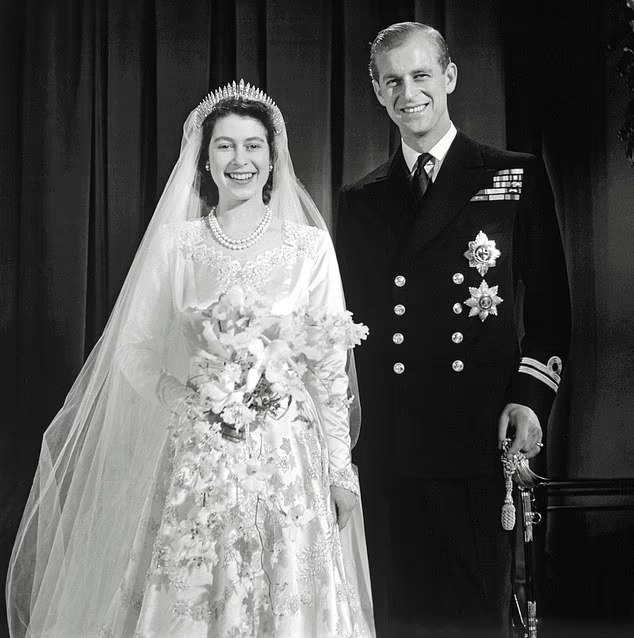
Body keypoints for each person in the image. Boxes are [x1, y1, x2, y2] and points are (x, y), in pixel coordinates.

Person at [7, 81, 375, 638]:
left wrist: (340, 471)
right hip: (201, 454)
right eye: (225, 145)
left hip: (287, 458)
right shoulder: (178, 245)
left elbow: (328, 366)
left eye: (252, 145)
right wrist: (179, 397)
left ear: (272, 158)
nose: (239, 159)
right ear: (205, 158)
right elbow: (131, 347)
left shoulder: (308, 248)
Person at [336, 22, 571, 637]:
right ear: (377, 92)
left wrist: (530, 397)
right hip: (390, 440)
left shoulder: (513, 176)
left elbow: (550, 308)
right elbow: (349, 327)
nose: (408, 93)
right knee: (399, 613)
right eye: (392, 81)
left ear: (450, 78)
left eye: (421, 76)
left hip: (477, 429)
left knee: (472, 615)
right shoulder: (360, 200)